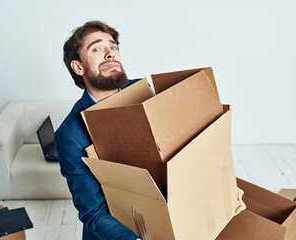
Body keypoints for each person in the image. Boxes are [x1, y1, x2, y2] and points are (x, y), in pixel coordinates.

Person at [55, 20, 246, 240]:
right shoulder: (70, 135)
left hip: (180, 220)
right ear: (78, 67)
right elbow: (94, 214)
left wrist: (227, 189)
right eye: (97, 48)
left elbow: (192, 154)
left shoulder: (147, 94)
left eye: (113, 47)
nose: (110, 54)